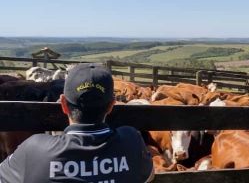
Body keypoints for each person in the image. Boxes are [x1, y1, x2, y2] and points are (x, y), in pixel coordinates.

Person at [0, 63, 154, 183]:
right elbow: (148, 175)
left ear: (63, 104)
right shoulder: (131, 140)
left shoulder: (34, 150)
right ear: (112, 105)